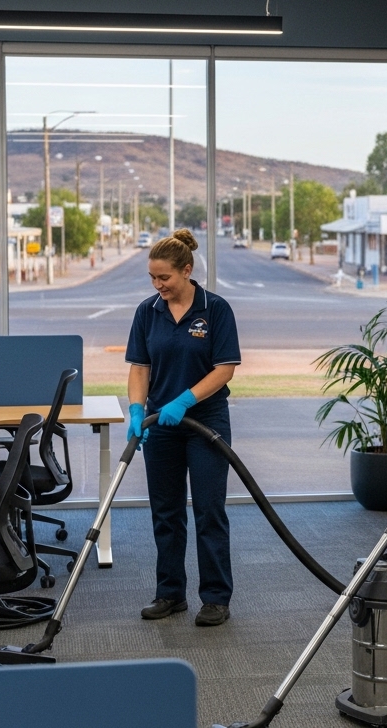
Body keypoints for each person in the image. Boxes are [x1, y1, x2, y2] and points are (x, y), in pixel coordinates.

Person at [125, 229, 241, 627]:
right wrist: (137, 411)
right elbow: (140, 368)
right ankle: (170, 593)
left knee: (209, 510)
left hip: (205, 421)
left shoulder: (215, 309)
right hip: (161, 424)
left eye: (165, 278)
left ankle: (215, 598)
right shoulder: (147, 311)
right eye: (153, 279)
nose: (158, 286)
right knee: (167, 511)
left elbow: (224, 369)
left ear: (186, 271)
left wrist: (185, 399)